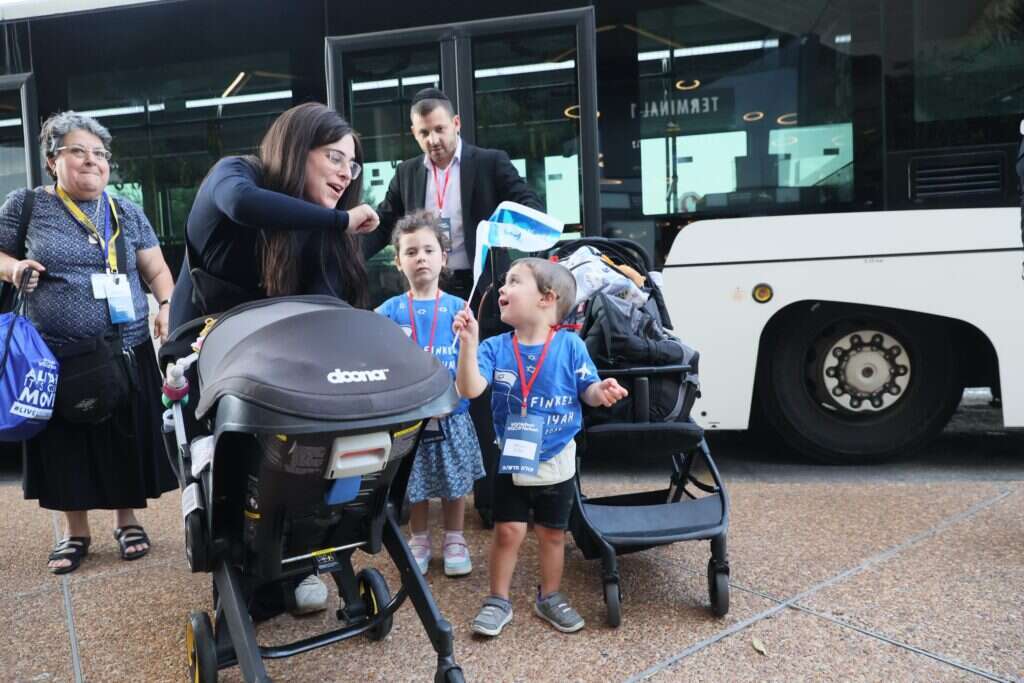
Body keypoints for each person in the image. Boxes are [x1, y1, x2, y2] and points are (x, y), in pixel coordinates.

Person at [168, 102, 380, 615]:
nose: (344, 173)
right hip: (206, 349)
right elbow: (243, 205)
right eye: (334, 157)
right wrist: (338, 219)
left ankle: (300, 561)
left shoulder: (318, 228)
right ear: (296, 147)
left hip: (277, 355)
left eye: (351, 165)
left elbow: (327, 304)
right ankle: (244, 575)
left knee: (305, 443)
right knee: (238, 456)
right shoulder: (236, 174)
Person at [0, 111, 176, 574]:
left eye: (100, 154)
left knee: (124, 435)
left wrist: (165, 305)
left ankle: (127, 520)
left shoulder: (126, 211)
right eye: (78, 151)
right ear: (53, 159)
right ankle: (74, 532)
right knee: (65, 443)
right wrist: (14, 268)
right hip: (58, 352)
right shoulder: (27, 206)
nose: (92, 161)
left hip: (124, 346)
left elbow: (157, 271)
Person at [366, 87, 543, 526]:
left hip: (479, 290)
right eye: (424, 133)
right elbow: (386, 222)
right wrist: (346, 252)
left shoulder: (490, 162)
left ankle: (487, 500)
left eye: (440, 129)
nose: (433, 140)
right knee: (421, 390)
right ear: (414, 133)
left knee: (478, 391)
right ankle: (416, 499)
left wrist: (503, 225)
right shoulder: (406, 173)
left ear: (456, 124)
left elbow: (531, 205)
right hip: (427, 291)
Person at [453, 258, 628, 637]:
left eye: (514, 282)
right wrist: (468, 345)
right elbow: (469, 389)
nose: (502, 288)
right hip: (512, 458)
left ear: (547, 299)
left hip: (558, 457)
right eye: (504, 282)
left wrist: (604, 391)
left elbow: (589, 390)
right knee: (508, 531)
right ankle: (498, 598)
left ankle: (549, 595)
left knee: (552, 533)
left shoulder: (570, 346)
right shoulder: (495, 346)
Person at [375, 210, 485, 576]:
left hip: (452, 416)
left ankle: (455, 537)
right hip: (411, 420)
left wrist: (470, 334)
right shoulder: (388, 313)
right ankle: (419, 538)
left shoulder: (460, 309)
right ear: (398, 261)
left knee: (454, 484)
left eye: (428, 249)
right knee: (415, 484)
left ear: (444, 256)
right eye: (411, 252)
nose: (420, 257)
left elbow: (471, 364)